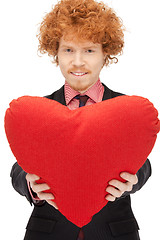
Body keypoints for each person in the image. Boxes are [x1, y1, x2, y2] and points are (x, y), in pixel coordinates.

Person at [10, 0, 151, 239]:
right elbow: (19, 167)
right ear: (55, 51)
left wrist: (134, 181)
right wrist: (30, 185)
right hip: (49, 232)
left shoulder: (125, 109)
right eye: (68, 49)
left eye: (89, 50)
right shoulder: (39, 111)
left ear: (106, 53)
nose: (77, 61)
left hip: (114, 233)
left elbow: (142, 162)